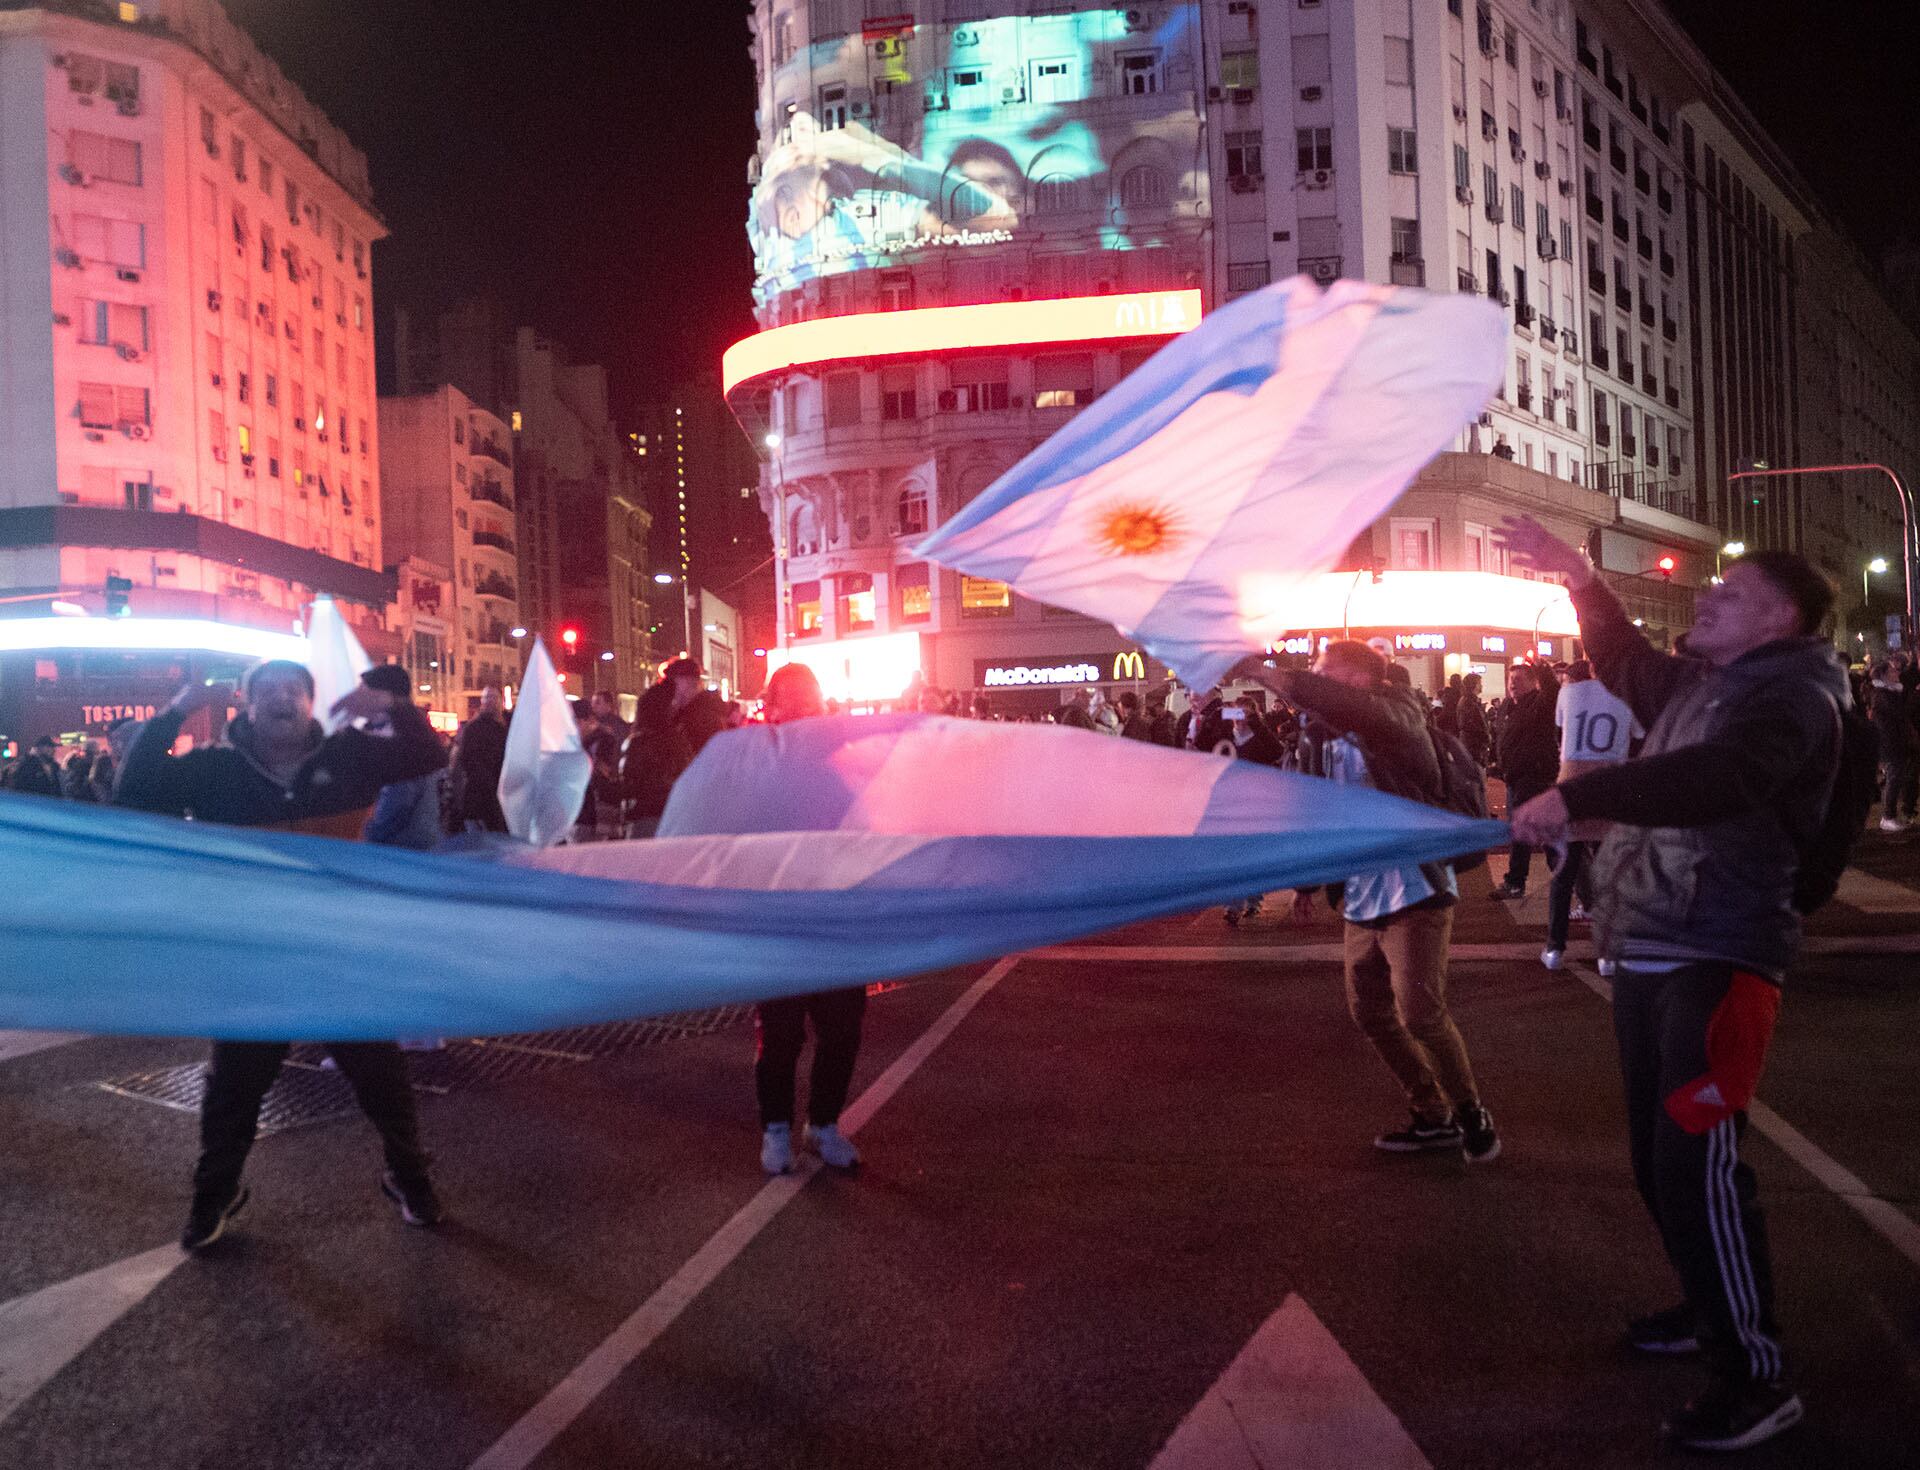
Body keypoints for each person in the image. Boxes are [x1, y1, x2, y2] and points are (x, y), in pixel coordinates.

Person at [1503, 515, 1843, 1453]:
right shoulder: (1707, 680)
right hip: (1654, 942)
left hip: (1720, 955)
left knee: (1701, 1168)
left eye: (1729, 595)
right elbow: (1620, 658)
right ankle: (1708, 1309)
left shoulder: (1794, 697)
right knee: (1659, 1166)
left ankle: (1755, 1375)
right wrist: (1575, 575)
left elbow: (1723, 779)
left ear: (1780, 618)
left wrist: (1579, 796)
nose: (1706, 598)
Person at [115, 659, 450, 1250]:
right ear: (246, 705)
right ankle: (211, 1200)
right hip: (257, 957)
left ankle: (412, 1181)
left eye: (294, 690)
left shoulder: (349, 757)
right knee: (235, 1088)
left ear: (311, 703)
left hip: (337, 950)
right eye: (267, 691)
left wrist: (395, 708)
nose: (282, 700)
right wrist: (175, 711)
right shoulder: (215, 770)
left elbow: (428, 757)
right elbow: (136, 787)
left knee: (381, 1077)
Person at [1240, 642, 1499, 1163]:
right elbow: (1314, 811)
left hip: (1416, 887)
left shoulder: (1400, 714)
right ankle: (1432, 1115)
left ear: (1356, 677)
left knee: (1422, 1013)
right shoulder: (1318, 735)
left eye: (1323, 671)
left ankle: (1471, 1113)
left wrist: (1260, 670)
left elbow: (1367, 716)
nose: (1314, 678)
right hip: (1361, 892)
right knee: (1370, 1013)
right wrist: (1308, 884)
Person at [748, 663, 867, 1174]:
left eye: (809, 698)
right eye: (790, 699)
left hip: (837, 920)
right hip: (778, 923)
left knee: (842, 1030)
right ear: (771, 707)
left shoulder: (846, 761)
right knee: (780, 1036)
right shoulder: (752, 765)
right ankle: (776, 1128)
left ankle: (823, 1125)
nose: (801, 708)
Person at [1541, 660, 1641, 970]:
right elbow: (1638, 734)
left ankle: (1555, 949)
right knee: (1609, 874)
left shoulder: (1568, 693)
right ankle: (1607, 954)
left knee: (1564, 870)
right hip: (1610, 786)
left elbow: (1560, 730)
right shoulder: (1626, 695)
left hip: (1572, 785)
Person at [622, 657, 729, 836]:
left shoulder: (702, 718)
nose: (667, 686)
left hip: (694, 806)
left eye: (672, 681)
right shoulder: (683, 716)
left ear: (688, 682)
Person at [1489, 663, 1562, 900]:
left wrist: (1542, 668)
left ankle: (1516, 881)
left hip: (1534, 778)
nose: (1512, 685)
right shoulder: (1510, 707)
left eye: (1518, 680)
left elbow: (1552, 691)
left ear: (1533, 682)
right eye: (1510, 680)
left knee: (1526, 831)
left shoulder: (1540, 704)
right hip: (1516, 778)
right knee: (1540, 833)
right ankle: (1567, 878)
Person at [449, 683, 511, 833]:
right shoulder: (473, 728)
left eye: (493, 697)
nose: (489, 701)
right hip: (480, 798)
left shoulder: (505, 727)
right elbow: (468, 761)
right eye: (486, 697)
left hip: (496, 797)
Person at [1865, 660, 1915, 830]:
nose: (1897, 674)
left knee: (1896, 777)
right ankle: (1888, 816)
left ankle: (1890, 816)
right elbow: (1900, 714)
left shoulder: (1889, 693)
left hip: (1894, 741)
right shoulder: (1883, 694)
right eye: (1893, 672)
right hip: (1890, 742)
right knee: (1894, 777)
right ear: (1884, 675)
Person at [1455, 672, 1490, 767]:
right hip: (1473, 745)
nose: (1481, 685)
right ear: (1474, 685)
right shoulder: (1468, 702)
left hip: (1473, 745)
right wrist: (1484, 736)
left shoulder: (1470, 701)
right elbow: (1470, 724)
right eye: (1479, 683)